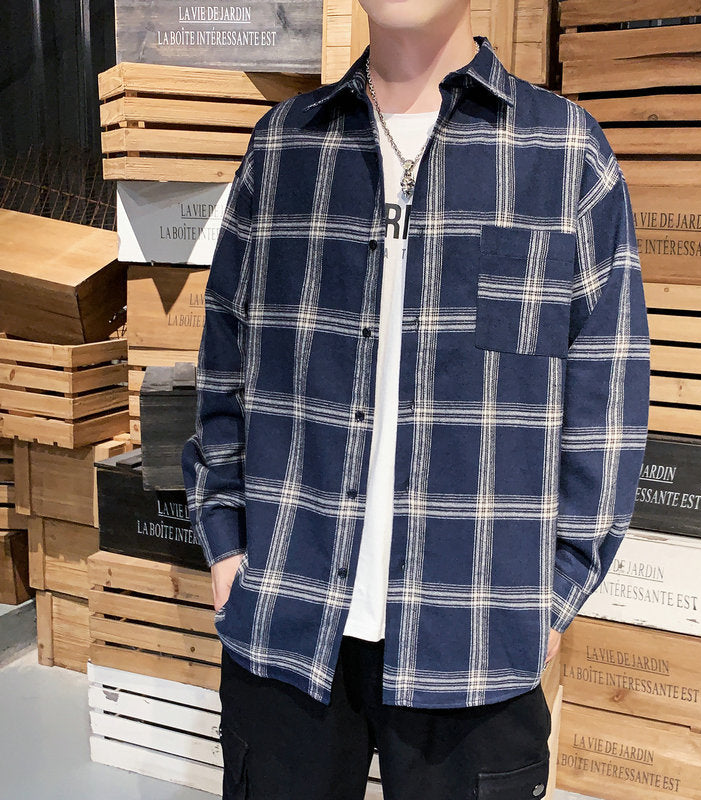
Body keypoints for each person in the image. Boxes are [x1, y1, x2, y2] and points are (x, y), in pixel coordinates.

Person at [182, 1, 651, 798]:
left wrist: (554, 591)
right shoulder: (288, 146)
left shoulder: (563, 151)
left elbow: (607, 391)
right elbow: (226, 350)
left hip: (478, 638)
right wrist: (225, 542)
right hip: (287, 623)